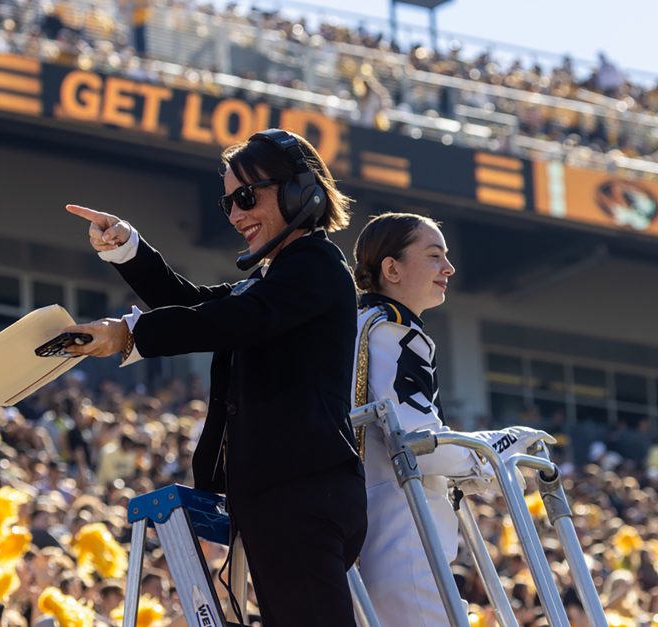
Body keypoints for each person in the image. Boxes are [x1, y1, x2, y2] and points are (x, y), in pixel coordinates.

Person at [63, 129, 367, 626]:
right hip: (284, 496)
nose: (237, 215)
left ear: (298, 189)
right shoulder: (276, 278)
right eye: (228, 204)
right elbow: (198, 304)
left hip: (301, 494)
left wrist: (127, 334)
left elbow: (230, 320)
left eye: (246, 197)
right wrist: (126, 250)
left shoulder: (315, 267)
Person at [351, 213, 553, 627]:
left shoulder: (358, 327)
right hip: (407, 540)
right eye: (434, 255)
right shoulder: (395, 331)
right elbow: (419, 446)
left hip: (372, 536)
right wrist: (499, 446)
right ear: (392, 268)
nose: (449, 268)